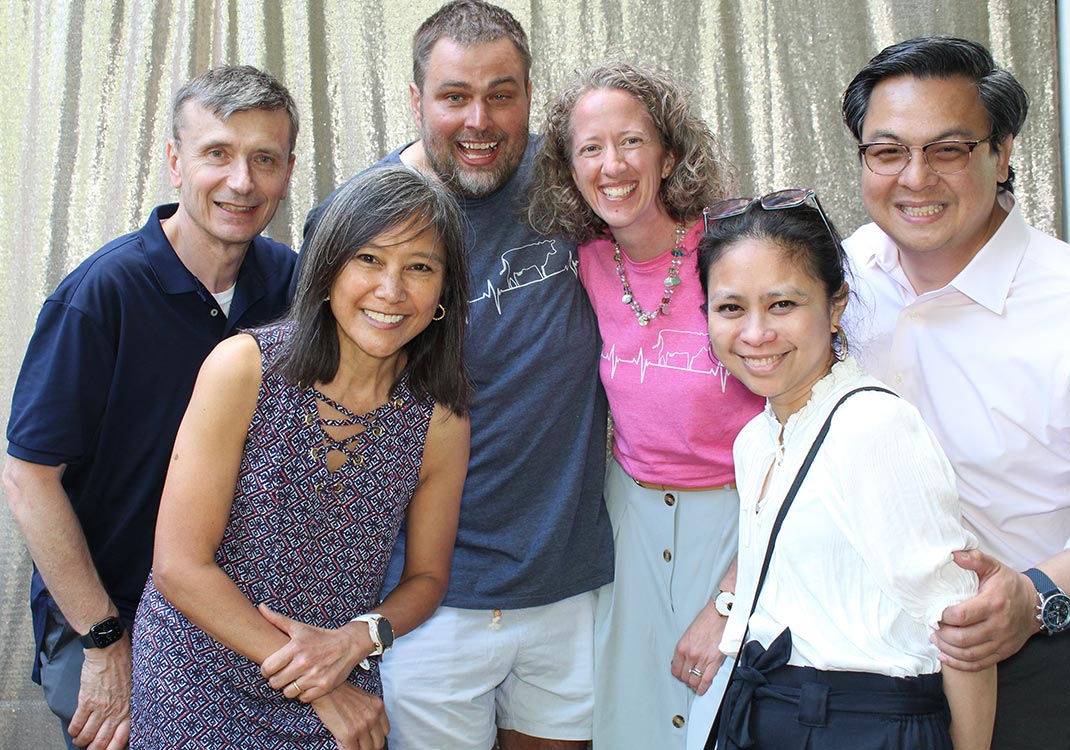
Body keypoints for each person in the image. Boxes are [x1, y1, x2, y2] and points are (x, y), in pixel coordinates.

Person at [295, 2, 612, 748]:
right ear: (415, 99)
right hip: (420, 601)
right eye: (454, 96)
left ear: (531, 95)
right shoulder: (354, 224)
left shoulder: (580, 186)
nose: (480, 120)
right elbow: (313, 423)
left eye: (502, 94)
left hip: (566, 581)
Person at [3, 65, 298, 750]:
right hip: (111, 611)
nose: (242, 182)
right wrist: (105, 640)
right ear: (175, 161)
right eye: (217, 154)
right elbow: (27, 478)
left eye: (264, 159)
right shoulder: (102, 294)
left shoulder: (292, 283)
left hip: (230, 612)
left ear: (287, 170)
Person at [129, 166, 471, 750]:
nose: (392, 290)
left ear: (443, 291)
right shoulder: (244, 367)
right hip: (197, 682)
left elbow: (427, 578)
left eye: (419, 267)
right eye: (369, 259)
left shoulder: (440, 417)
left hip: (344, 679)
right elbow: (179, 565)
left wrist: (357, 641)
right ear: (327, 270)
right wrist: (318, 682)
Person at [698, 190, 995, 750]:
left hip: (867, 724)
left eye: (783, 304)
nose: (756, 333)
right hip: (771, 713)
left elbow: (959, 625)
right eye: (731, 308)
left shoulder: (873, 426)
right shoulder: (756, 440)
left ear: (835, 307)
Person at [840, 36, 1070, 749]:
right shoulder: (841, 275)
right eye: (888, 151)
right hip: (858, 664)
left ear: (1001, 155)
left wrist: (1038, 594)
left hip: (1029, 666)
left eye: (947, 150)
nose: (916, 178)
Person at [527, 62, 762, 750]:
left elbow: (802, 424)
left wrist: (729, 596)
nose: (612, 165)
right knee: (631, 722)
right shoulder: (585, 260)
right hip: (627, 522)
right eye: (589, 148)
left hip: (739, 521)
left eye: (630, 141)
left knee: (724, 717)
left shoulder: (739, 248)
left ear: (668, 153)